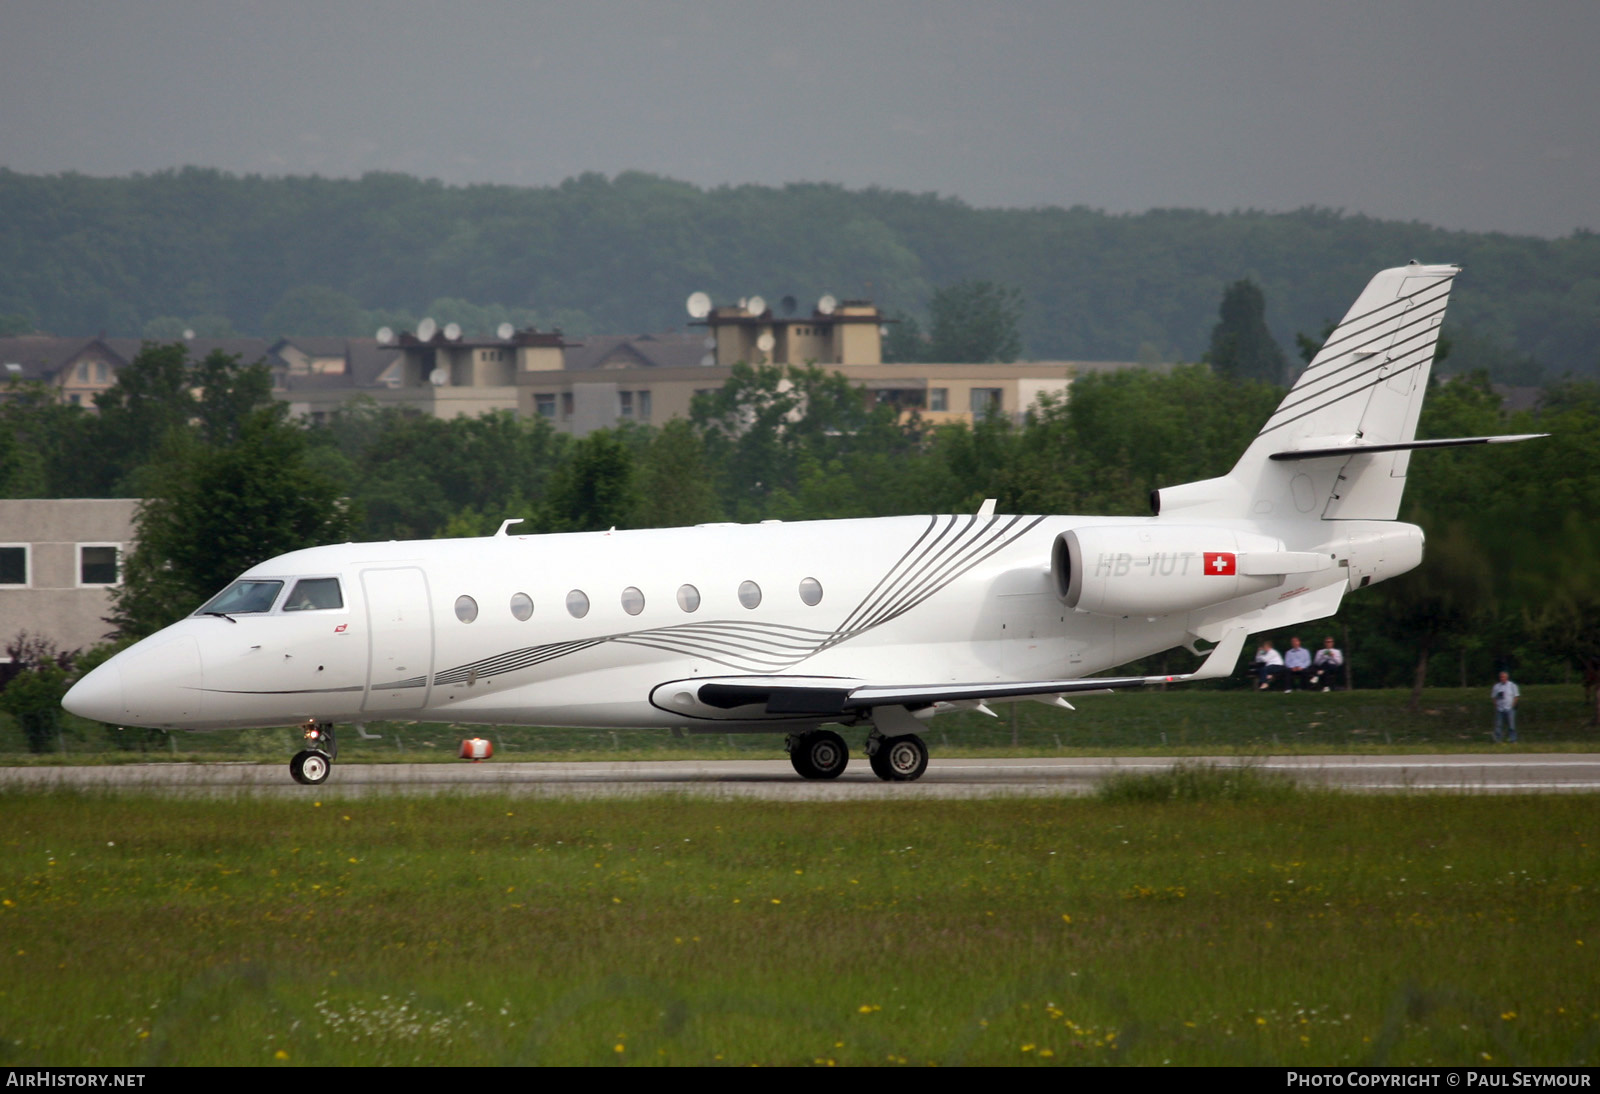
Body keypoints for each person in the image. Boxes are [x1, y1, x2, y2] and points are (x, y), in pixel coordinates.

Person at [1491, 671, 1520, 743]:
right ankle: (1498, 740)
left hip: (1509, 708)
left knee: (1511, 725)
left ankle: (1513, 739)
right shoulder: (1496, 686)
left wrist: (1512, 705)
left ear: (1507, 677)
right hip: (1500, 709)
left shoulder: (1512, 685)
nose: (1502, 678)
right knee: (1498, 725)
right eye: (1501, 677)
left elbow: (1516, 696)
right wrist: (1496, 706)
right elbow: (1494, 697)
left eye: (1503, 677)